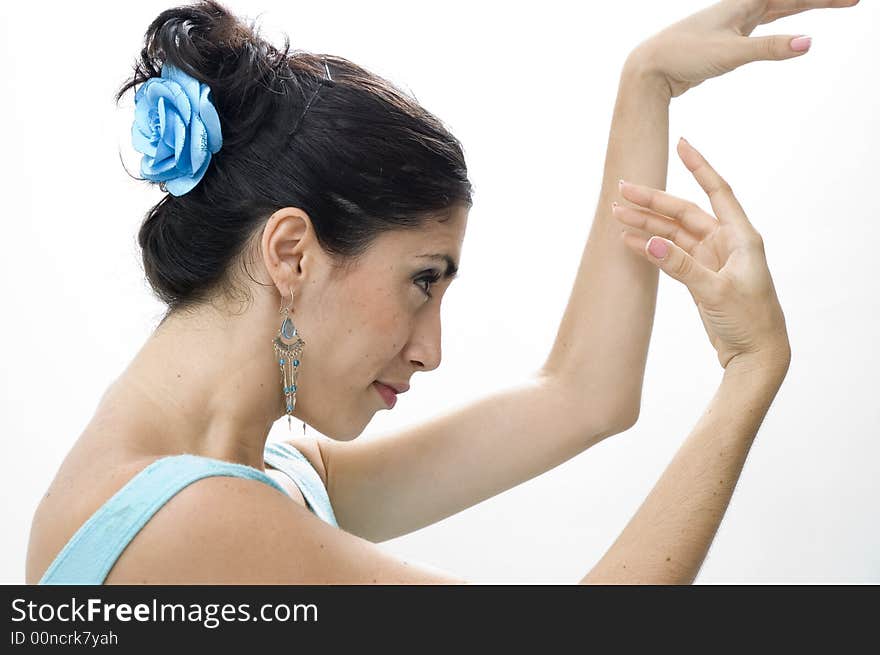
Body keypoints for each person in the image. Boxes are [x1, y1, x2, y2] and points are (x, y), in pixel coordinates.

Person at [25, 0, 857, 585]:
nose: (432, 347)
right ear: (292, 252)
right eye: (423, 280)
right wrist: (752, 367)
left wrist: (648, 84)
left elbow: (584, 393)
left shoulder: (259, 472)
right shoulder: (186, 522)